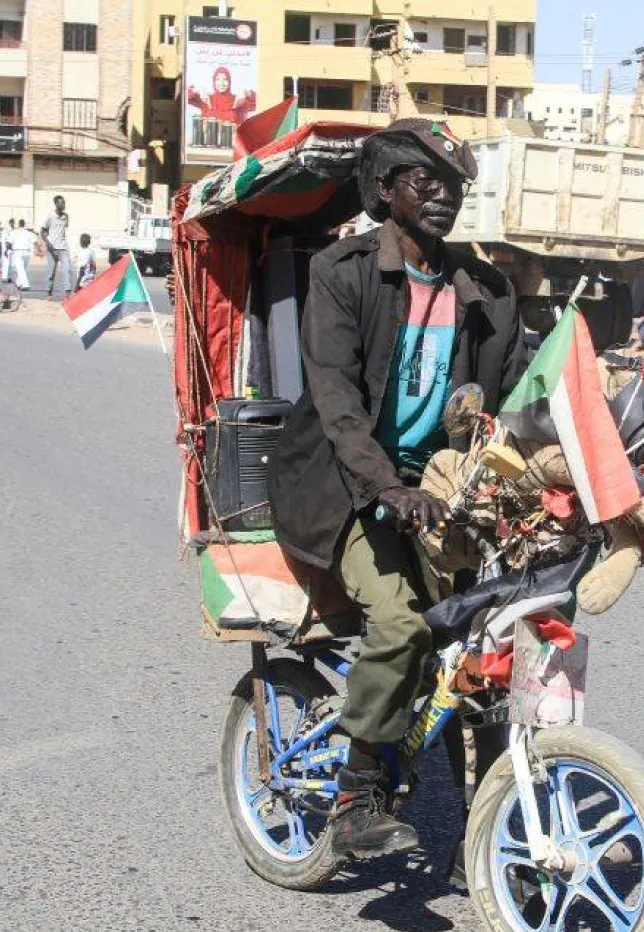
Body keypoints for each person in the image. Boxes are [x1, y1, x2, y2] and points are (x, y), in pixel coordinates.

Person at [267, 120, 526, 860]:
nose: (445, 197)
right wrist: (390, 486)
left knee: (491, 637)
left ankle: (493, 811)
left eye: (455, 186)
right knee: (404, 623)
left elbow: (513, 400)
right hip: (346, 487)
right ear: (387, 192)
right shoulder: (342, 273)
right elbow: (338, 404)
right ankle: (353, 798)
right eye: (426, 181)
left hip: (447, 492)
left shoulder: (487, 290)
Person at [40, 195, 70, 300]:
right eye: (61, 203)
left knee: (67, 270)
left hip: (63, 248)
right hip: (52, 249)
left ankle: (67, 294)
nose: (63, 205)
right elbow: (43, 231)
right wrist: (48, 242)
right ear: (56, 204)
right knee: (51, 272)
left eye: (64, 203)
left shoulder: (65, 217)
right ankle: (49, 293)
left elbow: (64, 227)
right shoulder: (50, 216)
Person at [9, 219, 34, 290]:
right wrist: (39, 250)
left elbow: (9, 243)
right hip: (27, 253)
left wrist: (8, 249)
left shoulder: (14, 232)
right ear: (24, 224)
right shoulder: (29, 233)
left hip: (17, 252)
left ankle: (25, 285)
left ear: (18, 224)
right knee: (22, 269)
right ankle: (18, 283)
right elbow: (34, 242)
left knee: (20, 269)